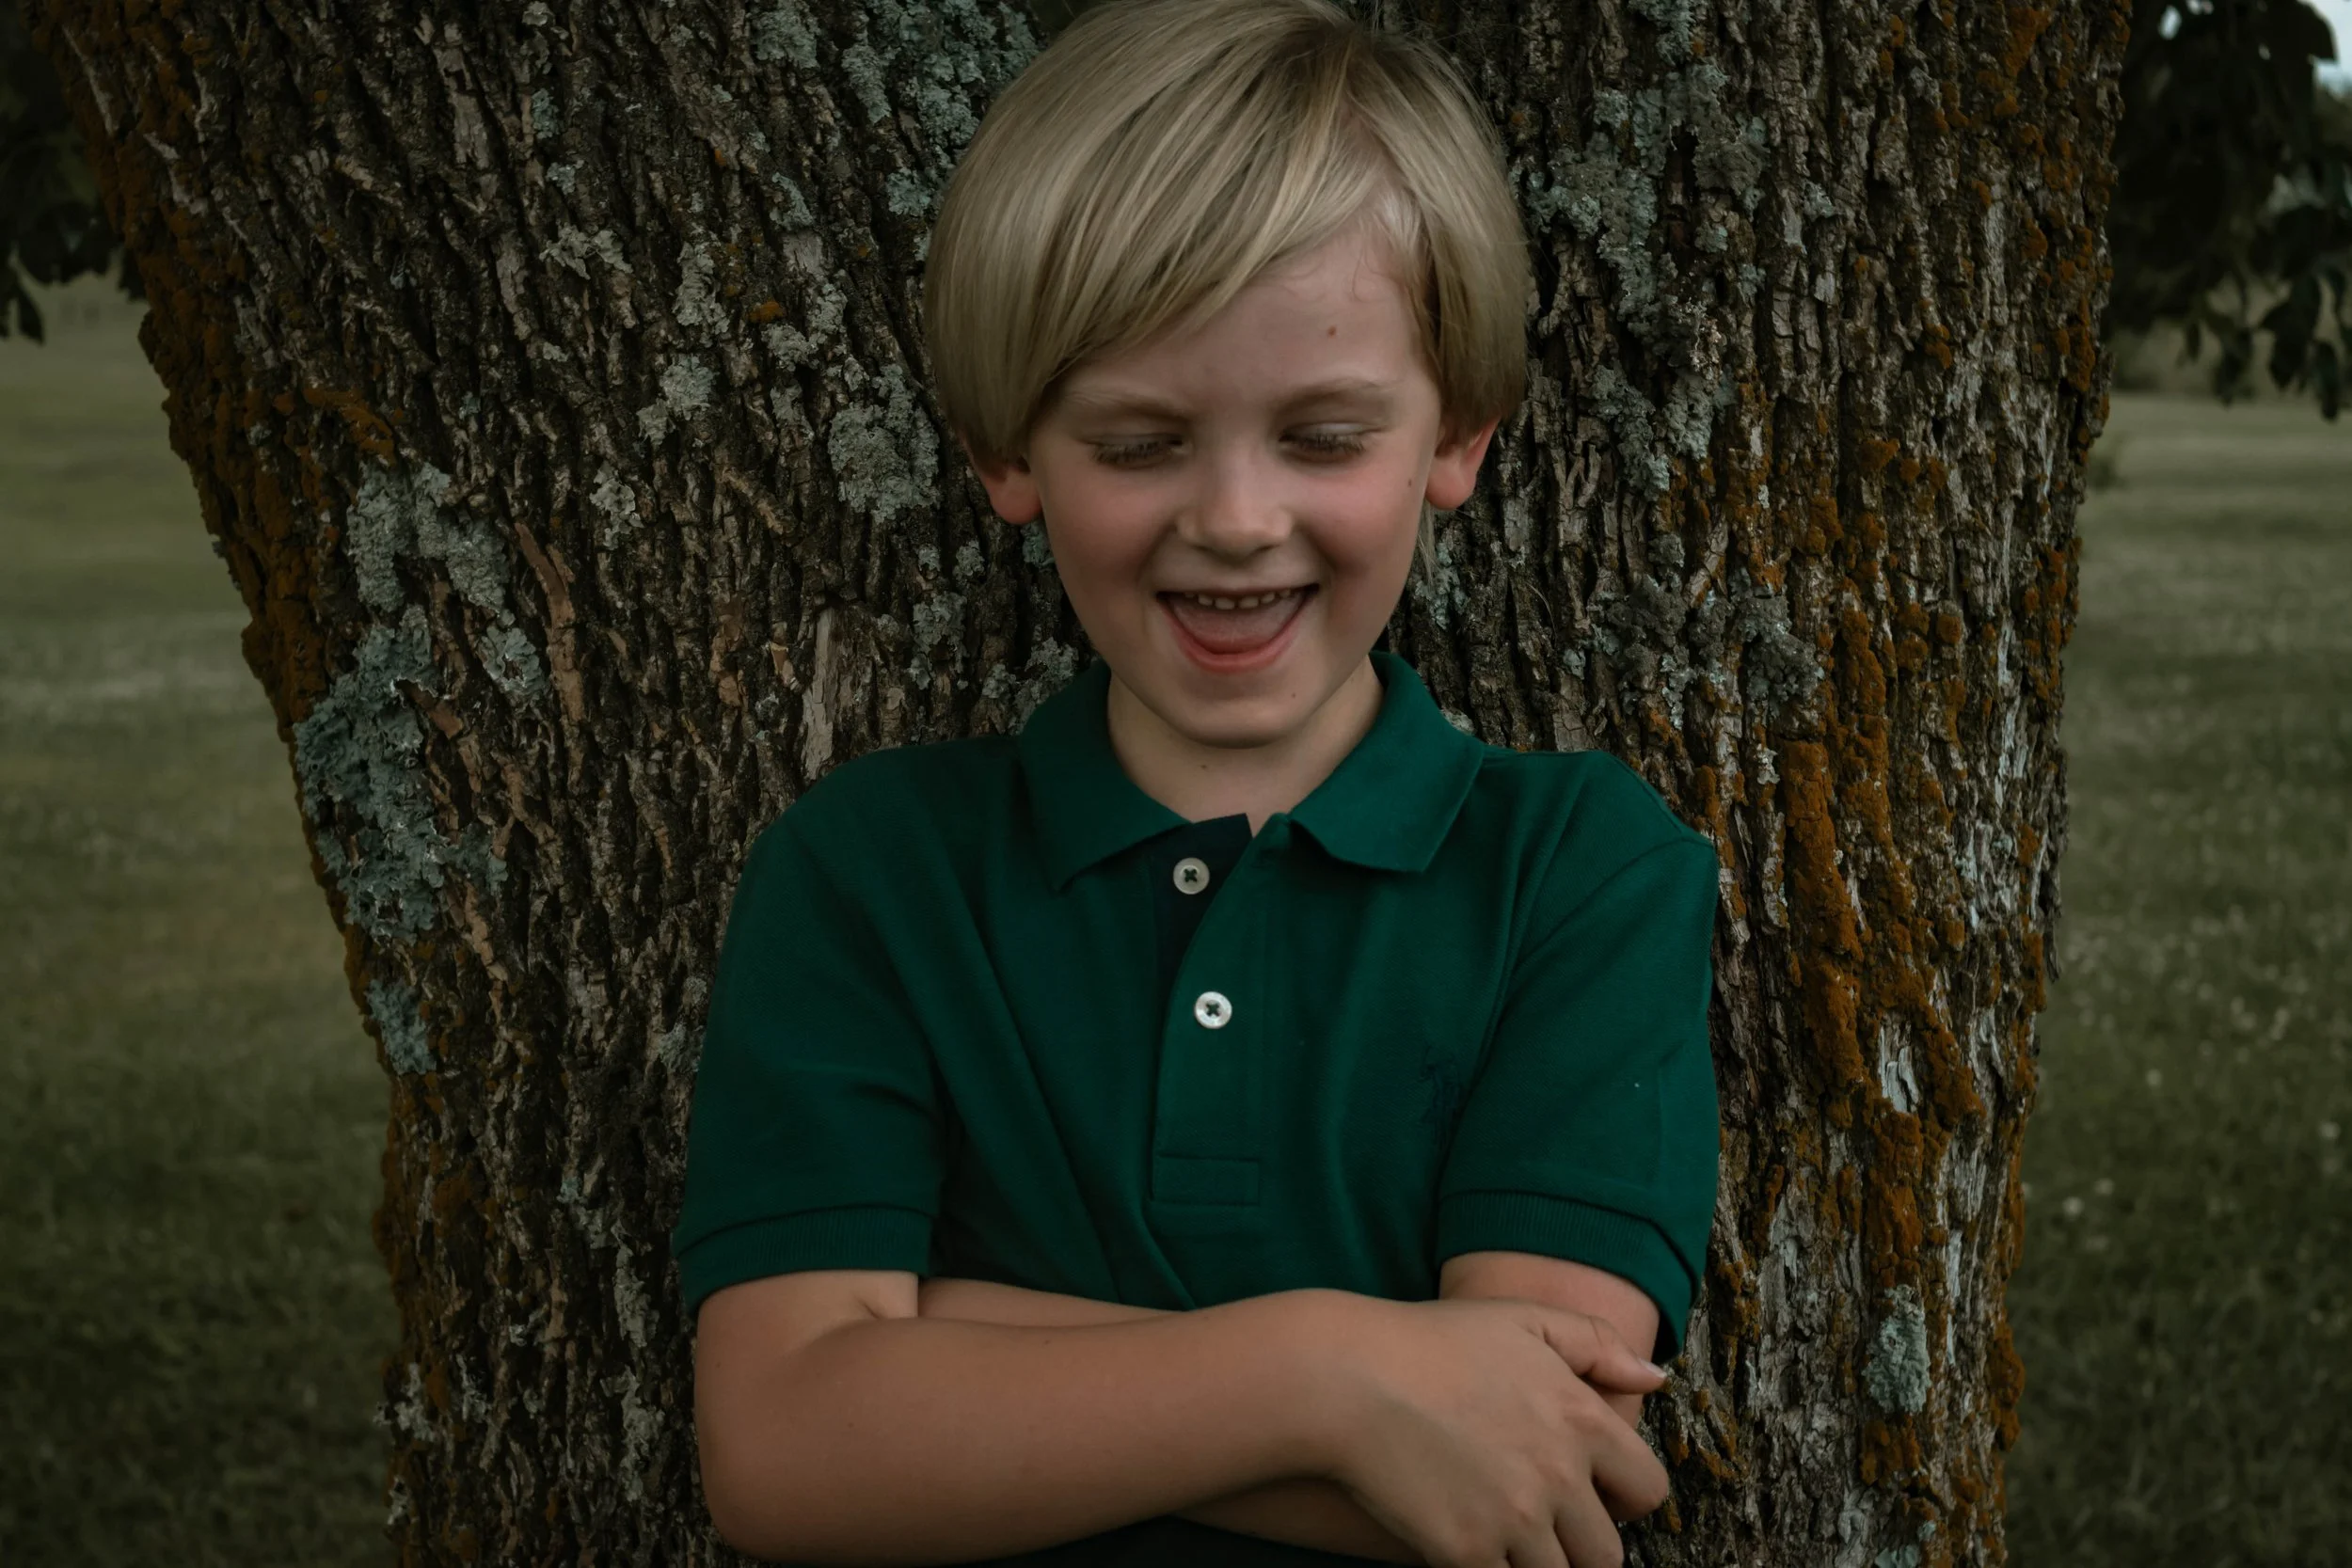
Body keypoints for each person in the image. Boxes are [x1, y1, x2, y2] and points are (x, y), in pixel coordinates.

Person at [671, 2, 1721, 1563]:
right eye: (1141, 442)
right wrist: (1337, 1375)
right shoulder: (872, 872)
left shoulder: (1578, 871)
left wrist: (942, 1350)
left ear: (1457, 438)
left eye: (1323, 435)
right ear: (1011, 454)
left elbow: (1538, 1466)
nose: (1235, 518)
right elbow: (783, 1444)